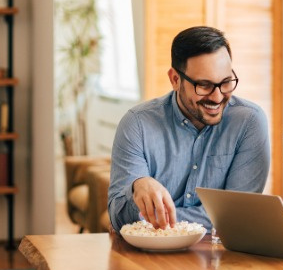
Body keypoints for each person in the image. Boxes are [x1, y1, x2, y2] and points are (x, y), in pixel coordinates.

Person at [109, 26, 271, 231]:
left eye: (226, 82)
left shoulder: (249, 122)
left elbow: (237, 216)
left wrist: (149, 220)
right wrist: (137, 186)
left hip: (220, 257)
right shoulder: (137, 124)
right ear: (175, 80)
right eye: (204, 85)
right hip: (149, 254)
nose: (217, 97)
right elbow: (118, 214)